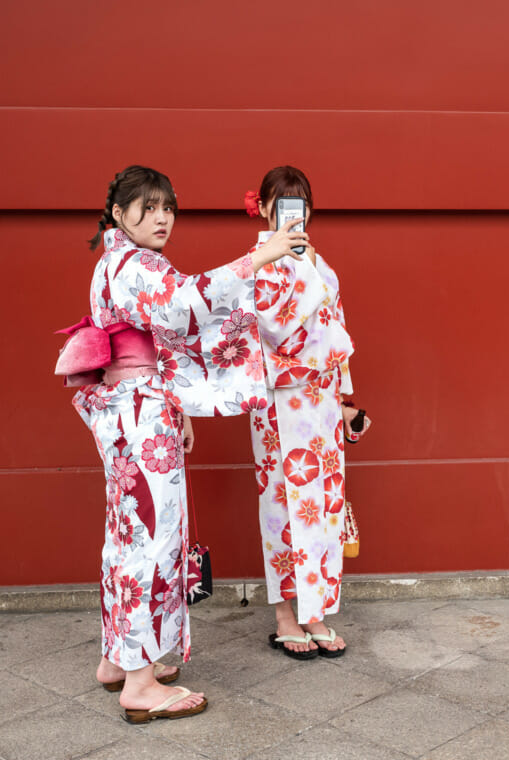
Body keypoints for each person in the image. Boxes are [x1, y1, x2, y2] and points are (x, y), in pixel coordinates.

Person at [70, 165, 308, 722]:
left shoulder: (111, 263)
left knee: (126, 533)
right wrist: (262, 255)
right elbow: (186, 304)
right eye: (148, 207)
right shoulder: (140, 264)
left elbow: (162, 327)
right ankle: (140, 682)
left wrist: (176, 399)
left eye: (168, 208)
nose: (161, 218)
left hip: (129, 408)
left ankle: (117, 658)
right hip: (142, 415)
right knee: (152, 538)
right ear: (118, 212)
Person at [244, 166, 371, 660]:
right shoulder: (258, 263)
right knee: (281, 506)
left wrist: (344, 401)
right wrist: (312, 276)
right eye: (281, 204)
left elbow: (337, 337)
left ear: (311, 212)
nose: (292, 214)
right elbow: (273, 329)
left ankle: (314, 611)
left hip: (319, 402)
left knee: (321, 506)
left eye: (301, 205)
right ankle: (283, 615)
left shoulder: (322, 265)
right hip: (280, 401)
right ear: (263, 209)